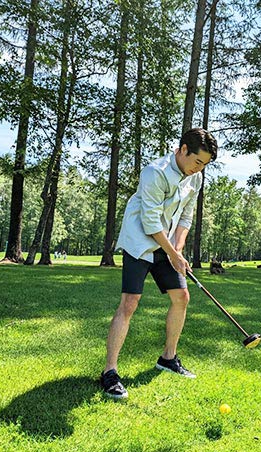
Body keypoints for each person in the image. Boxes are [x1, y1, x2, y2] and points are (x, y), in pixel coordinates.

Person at [101, 128, 218, 399]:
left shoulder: (195, 178)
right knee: (130, 303)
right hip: (140, 242)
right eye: (197, 161)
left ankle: (168, 358)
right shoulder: (155, 172)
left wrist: (177, 248)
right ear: (183, 150)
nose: (199, 169)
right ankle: (109, 372)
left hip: (166, 245)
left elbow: (186, 216)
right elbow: (151, 222)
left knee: (182, 297)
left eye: (205, 165)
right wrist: (173, 254)